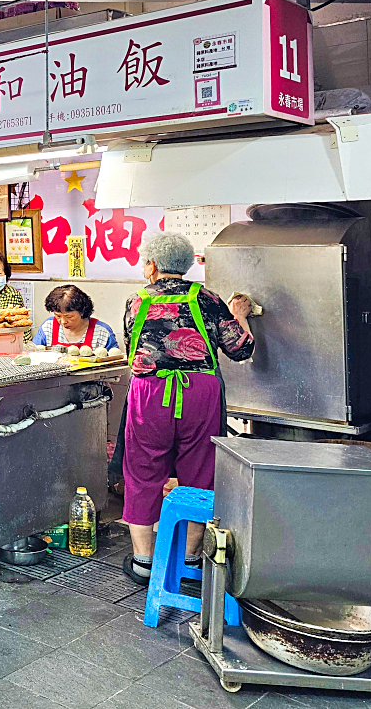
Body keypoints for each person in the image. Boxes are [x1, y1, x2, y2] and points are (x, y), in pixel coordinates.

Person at [120, 232, 254, 585]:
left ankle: (143, 561)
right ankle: (191, 560)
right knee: (200, 469)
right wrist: (240, 315)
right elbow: (240, 349)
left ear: (152, 265)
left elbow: (129, 346)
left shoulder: (136, 301)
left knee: (142, 468)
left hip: (149, 392)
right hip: (199, 392)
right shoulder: (208, 299)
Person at [34, 284, 119, 352]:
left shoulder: (102, 332)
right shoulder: (48, 327)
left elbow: (116, 363)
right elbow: (33, 353)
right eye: (58, 316)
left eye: (69, 316)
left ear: (82, 311)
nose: (63, 322)